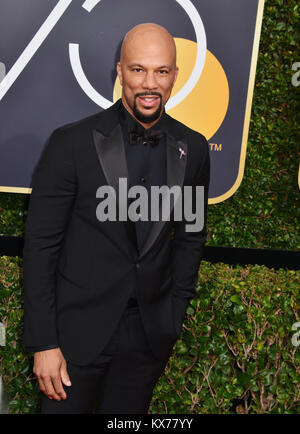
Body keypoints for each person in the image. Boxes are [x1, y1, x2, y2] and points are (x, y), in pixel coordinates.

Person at [22, 23, 210, 414]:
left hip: (146, 340)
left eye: (161, 71)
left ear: (175, 75)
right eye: (138, 69)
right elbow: (41, 248)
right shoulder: (71, 143)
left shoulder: (192, 148)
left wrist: (173, 314)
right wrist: (44, 343)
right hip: (74, 338)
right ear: (120, 71)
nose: (149, 83)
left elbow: (191, 236)